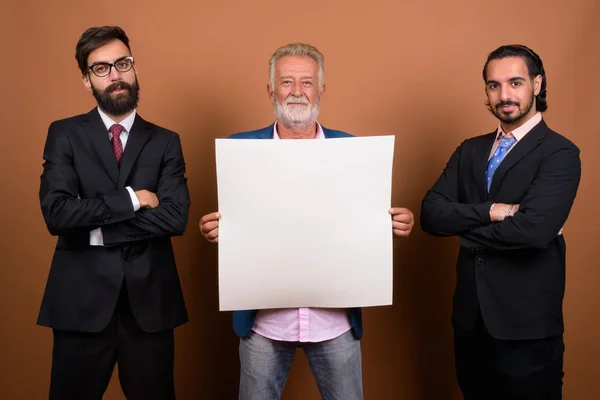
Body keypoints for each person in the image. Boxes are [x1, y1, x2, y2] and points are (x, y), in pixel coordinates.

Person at [199, 43, 414, 400]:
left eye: (307, 82)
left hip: (333, 321)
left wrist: (391, 225)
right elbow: (237, 226)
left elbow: (360, 226)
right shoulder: (240, 151)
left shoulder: (352, 150)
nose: (297, 92)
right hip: (264, 321)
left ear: (321, 90)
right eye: (286, 82)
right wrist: (219, 230)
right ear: (271, 90)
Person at [420, 44, 581, 399]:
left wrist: (461, 228)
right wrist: (492, 211)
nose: (504, 95)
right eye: (494, 85)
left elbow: (535, 231)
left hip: (527, 328)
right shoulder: (470, 150)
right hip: (470, 323)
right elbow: (431, 214)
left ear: (537, 85)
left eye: (515, 83)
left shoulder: (560, 153)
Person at [38, 26, 190, 399]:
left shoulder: (166, 141)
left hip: (150, 307)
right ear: (87, 80)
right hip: (81, 306)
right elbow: (57, 214)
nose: (116, 75)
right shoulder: (65, 134)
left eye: (122, 63)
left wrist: (97, 228)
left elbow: (175, 218)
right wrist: (134, 199)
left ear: (134, 69)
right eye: (102, 68)